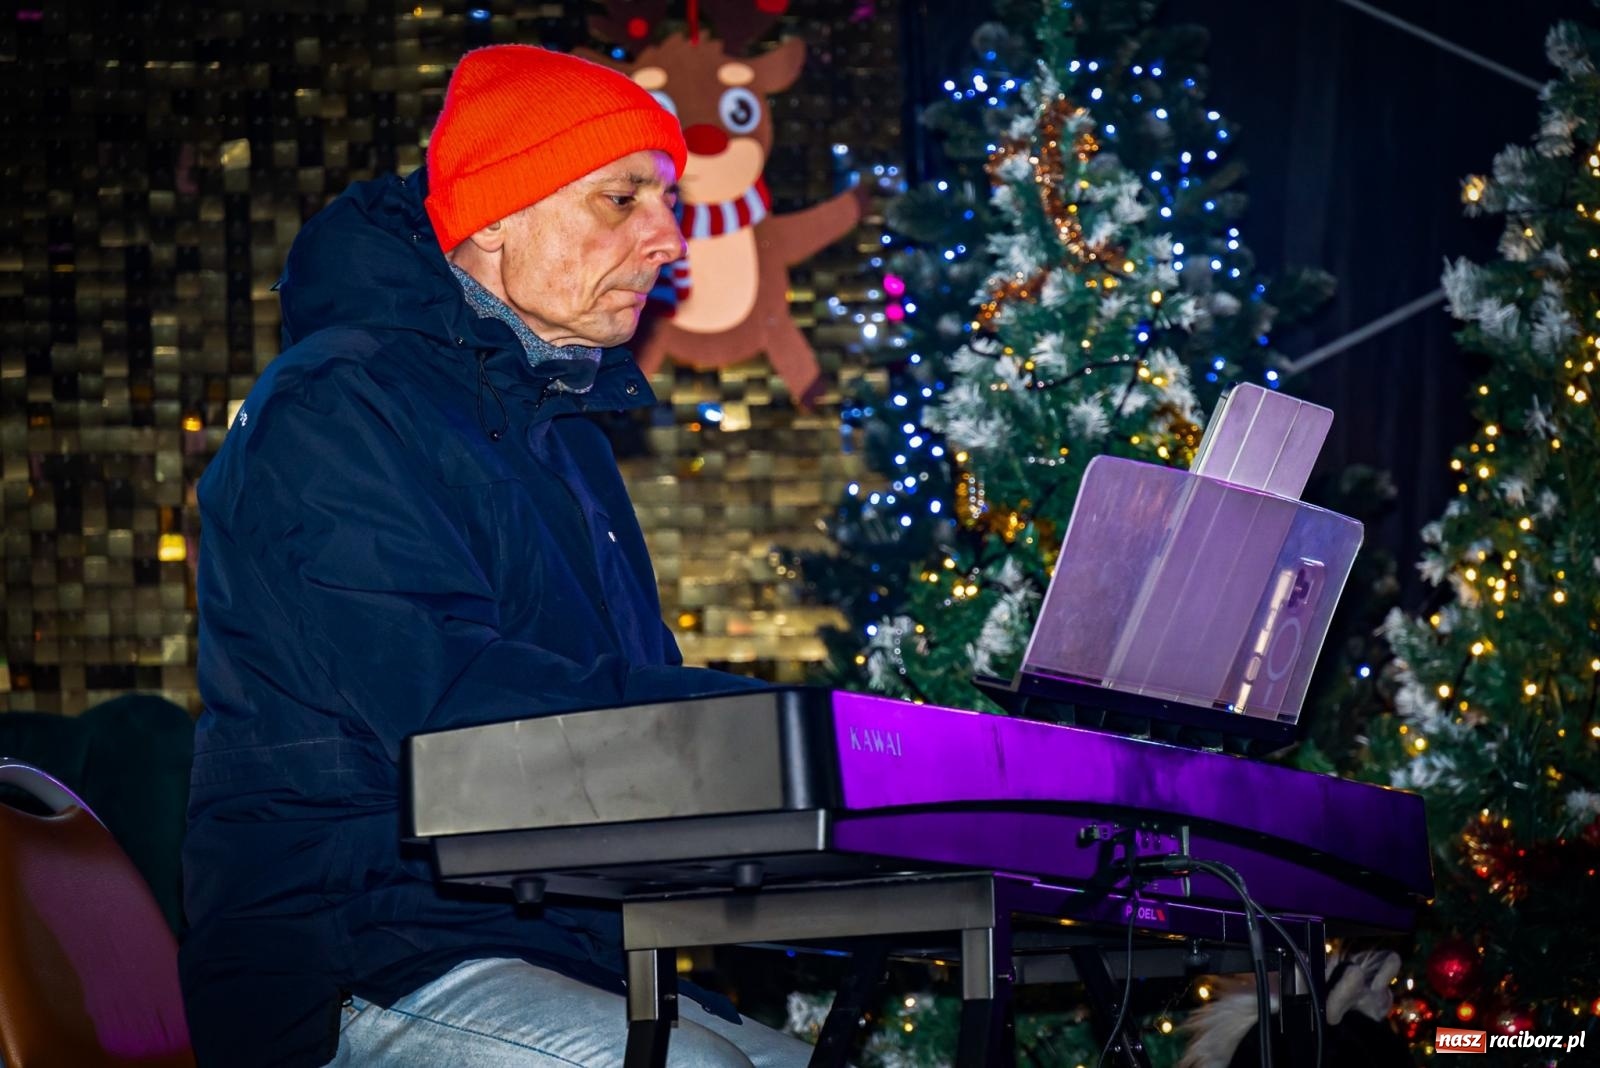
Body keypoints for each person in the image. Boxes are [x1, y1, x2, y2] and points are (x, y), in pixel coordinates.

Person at [181, 45, 812, 1068]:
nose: (667, 236)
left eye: (665, 201)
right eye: (623, 200)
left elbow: (607, 726)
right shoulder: (336, 410)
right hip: (357, 963)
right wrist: (757, 734)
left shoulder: (562, 436)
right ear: (491, 221)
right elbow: (452, 710)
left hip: (554, 947)